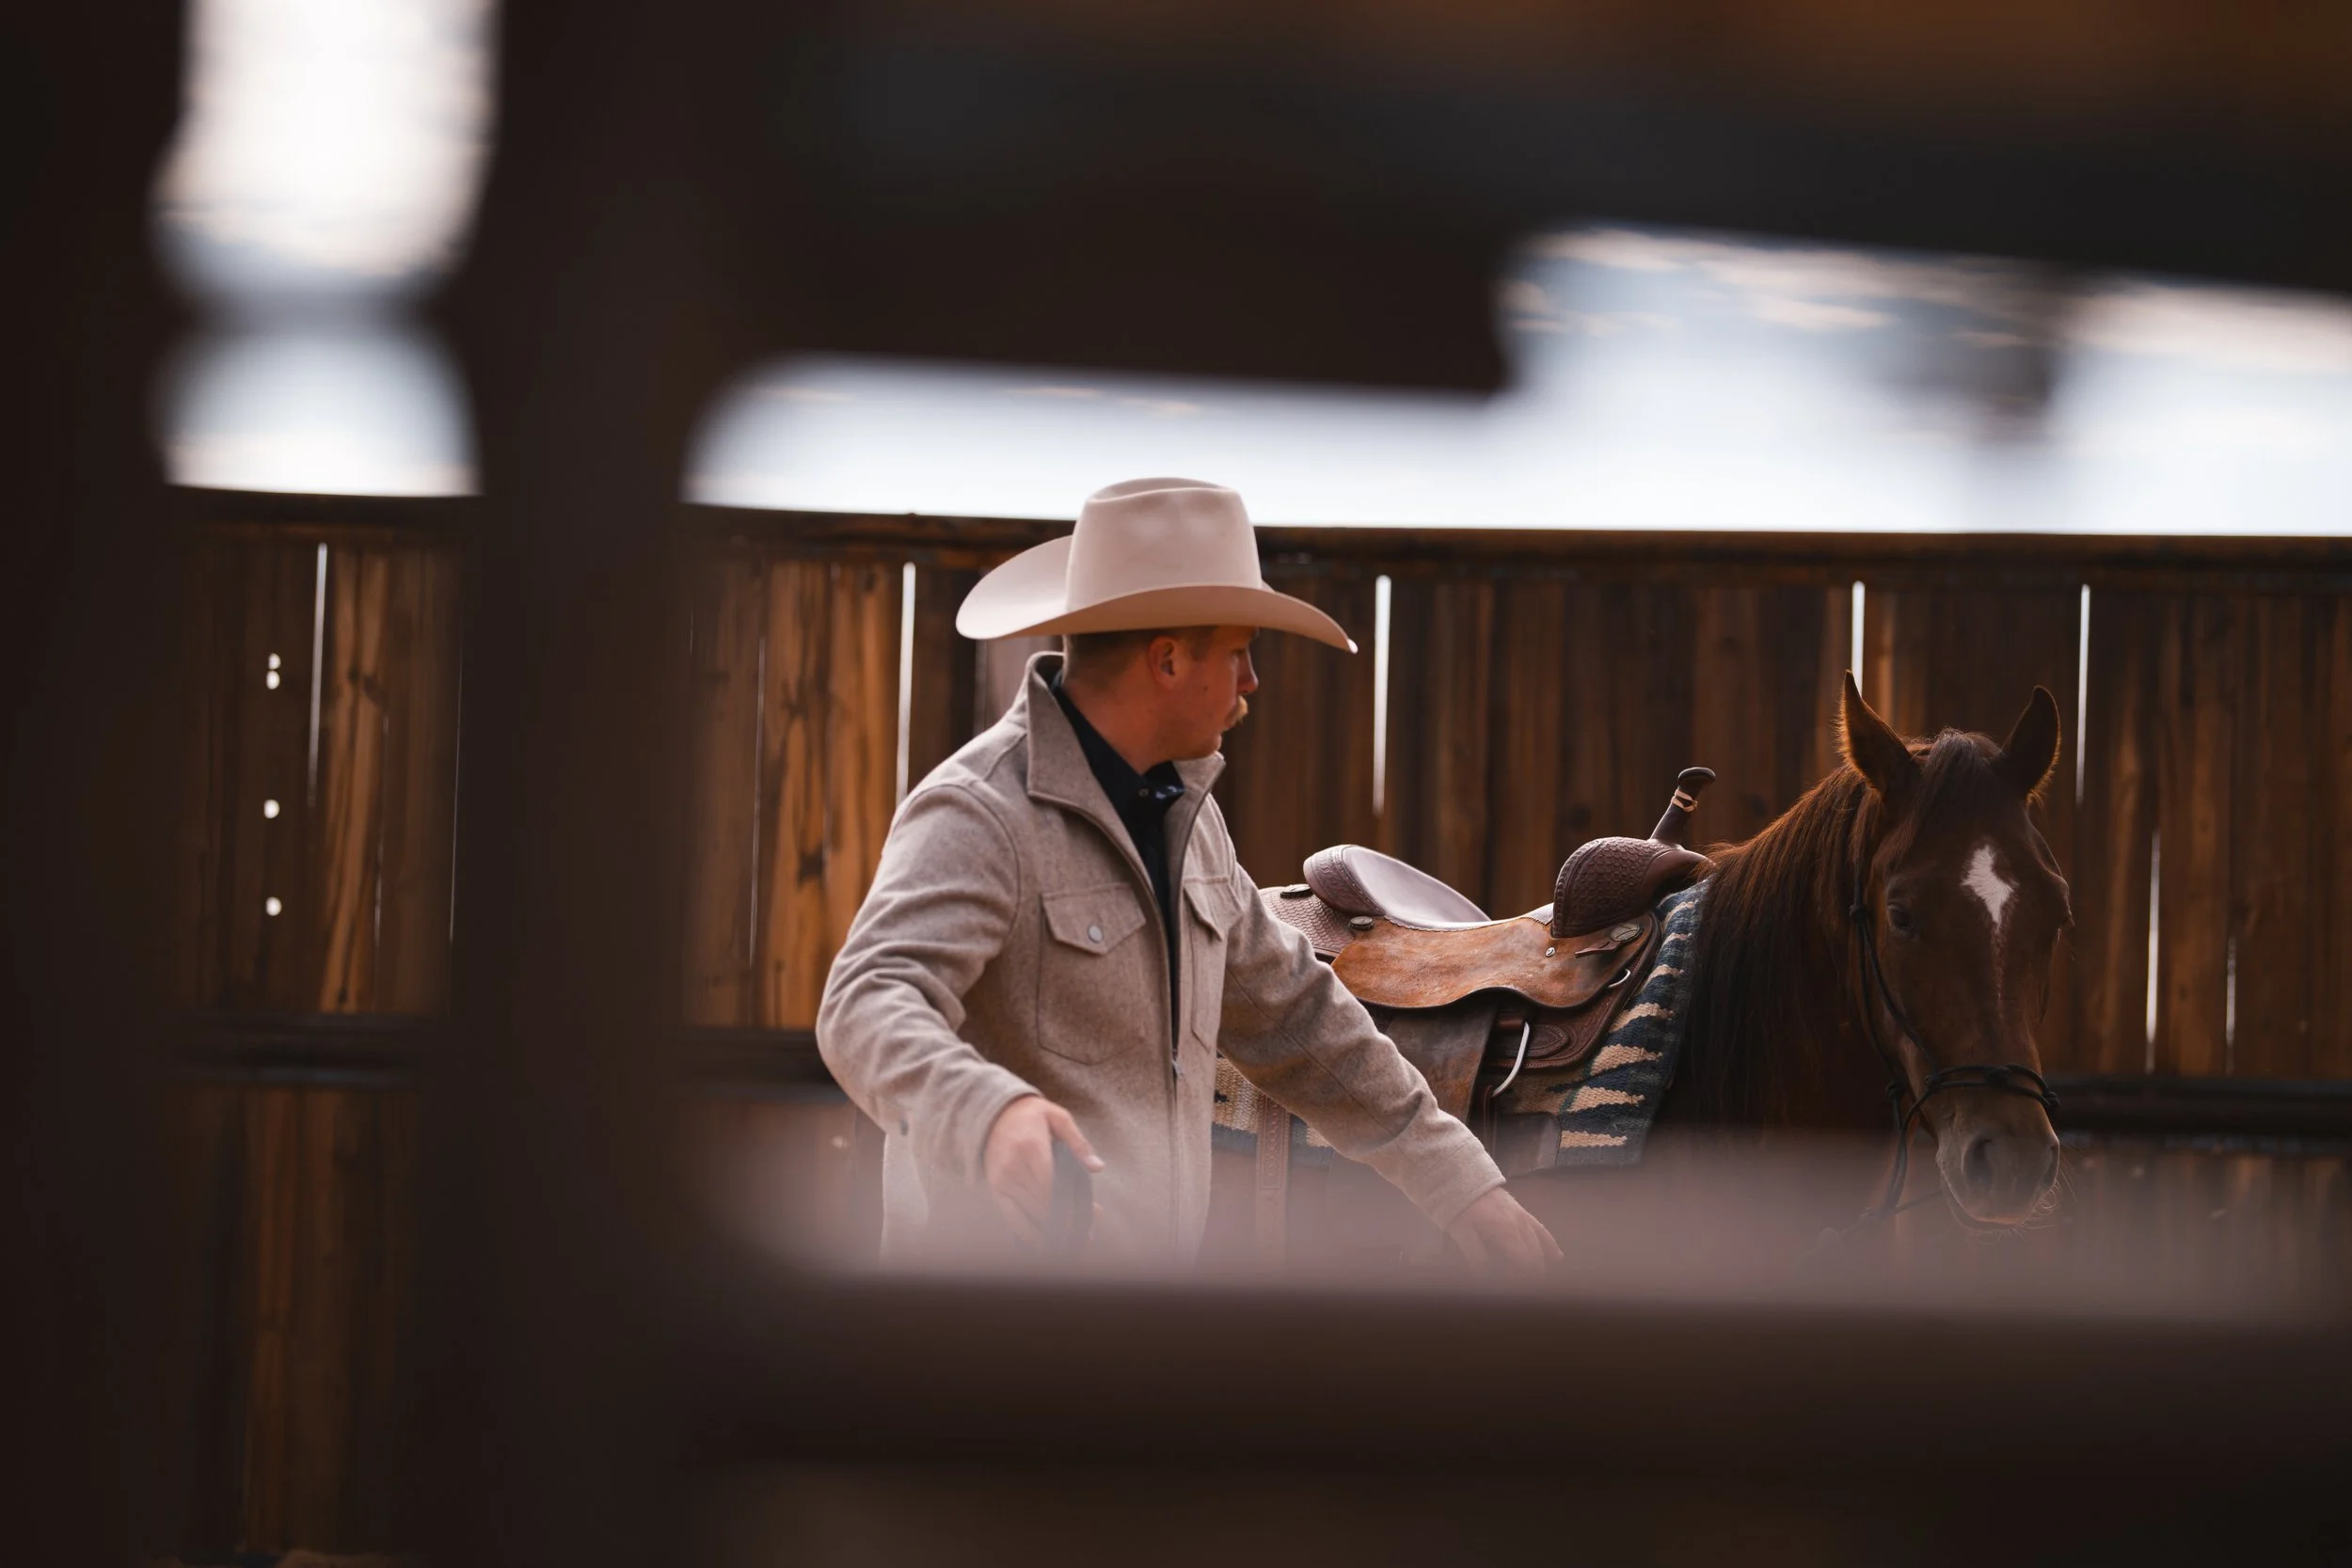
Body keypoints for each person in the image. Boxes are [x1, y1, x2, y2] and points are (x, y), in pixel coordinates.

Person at [817, 478, 1560, 1270]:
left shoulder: (1189, 819)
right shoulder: (980, 814)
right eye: (1238, 652)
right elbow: (865, 1001)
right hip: (985, 1332)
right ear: (1167, 659)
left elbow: (1299, 1019)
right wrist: (989, 1115)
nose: (1252, 682)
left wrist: (1463, 1185)